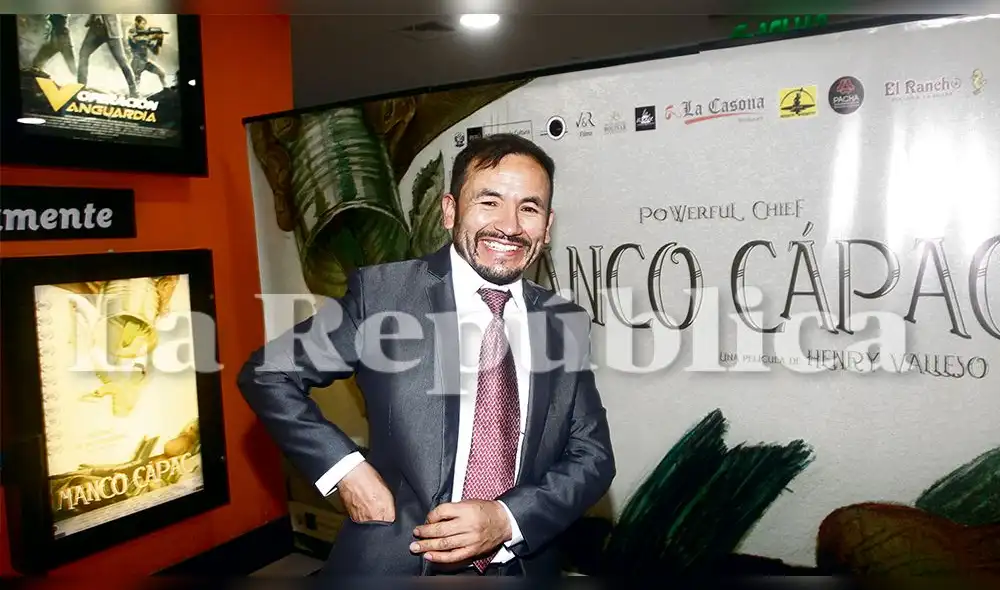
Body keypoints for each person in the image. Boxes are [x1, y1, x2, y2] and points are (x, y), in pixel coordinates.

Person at [238, 133, 615, 577]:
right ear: (450, 210)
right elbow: (268, 373)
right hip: (394, 559)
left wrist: (507, 519)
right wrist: (345, 470)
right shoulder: (382, 295)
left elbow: (593, 456)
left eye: (528, 208)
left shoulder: (564, 322)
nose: (510, 226)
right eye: (489, 202)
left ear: (547, 226)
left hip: (520, 563)